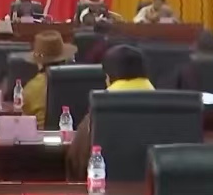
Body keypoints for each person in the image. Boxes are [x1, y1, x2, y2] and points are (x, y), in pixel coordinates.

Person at [67, 45, 155, 178]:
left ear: (108, 78)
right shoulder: (171, 111)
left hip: (101, 188)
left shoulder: (97, 115)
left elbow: (76, 160)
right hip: (156, 190)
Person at [21, 31, 77, 128]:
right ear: (64, 59)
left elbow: (24, 124)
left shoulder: (30, 88)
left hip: (40, 136)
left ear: (39, 63)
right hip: (78, 136)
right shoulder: (80, 81)